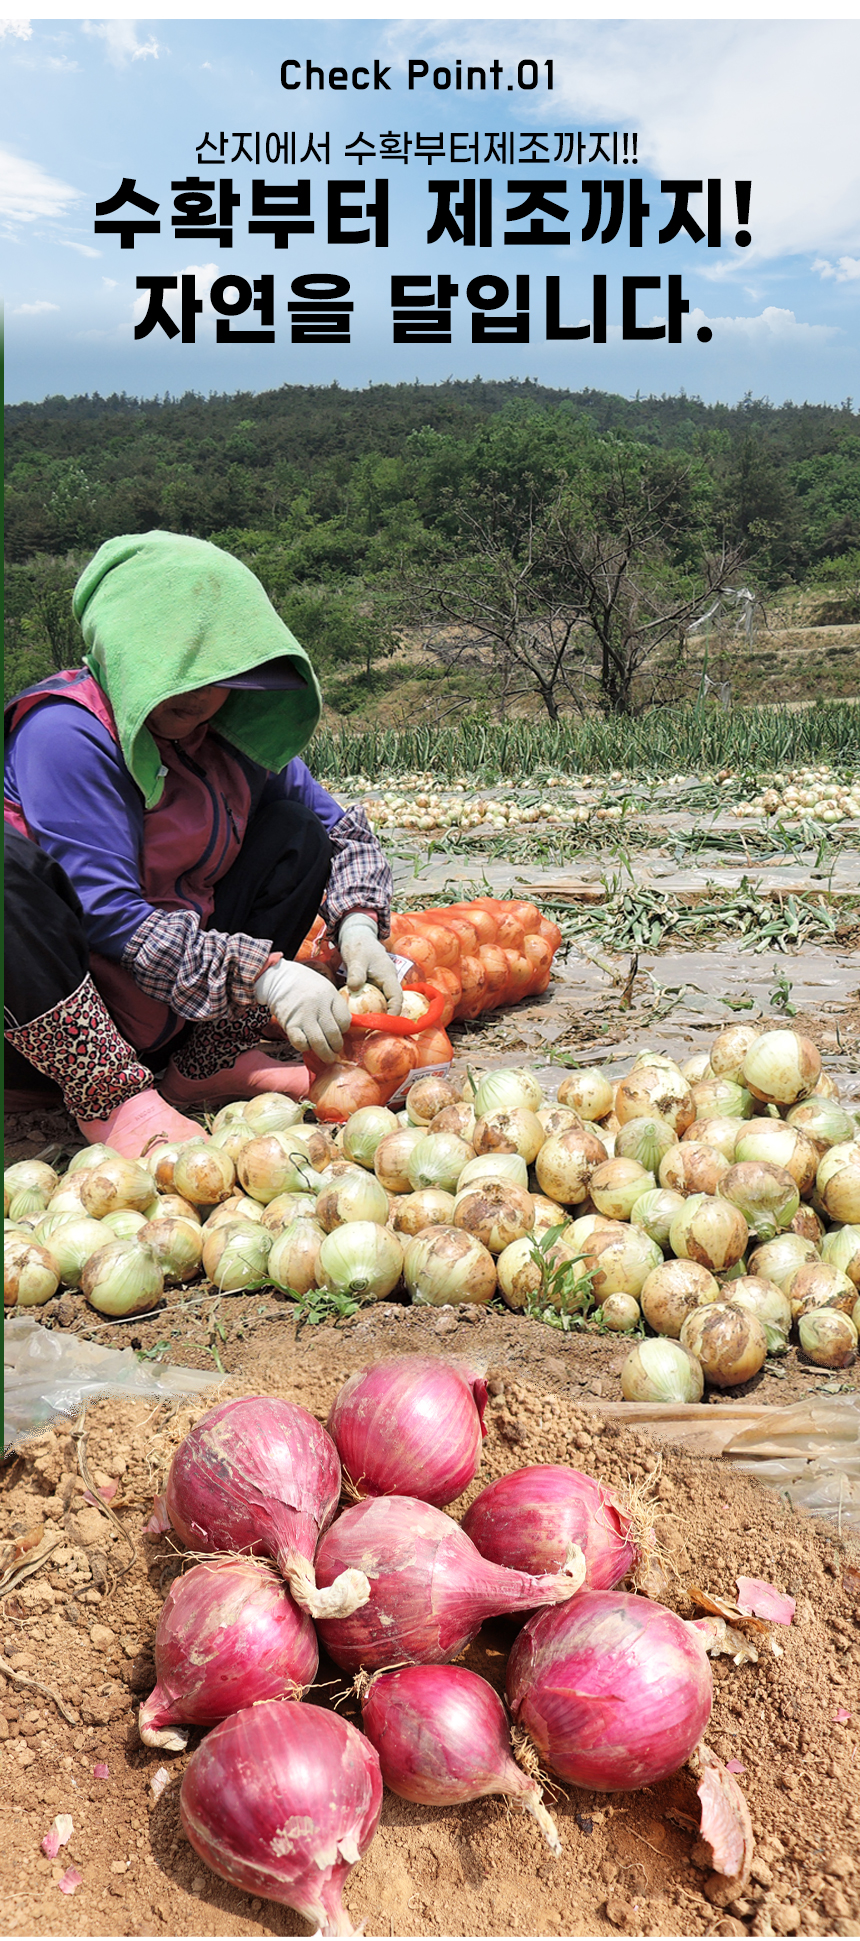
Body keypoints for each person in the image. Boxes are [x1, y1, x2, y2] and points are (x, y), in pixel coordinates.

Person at [4, 530, 403, 1159]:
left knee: (294, 835)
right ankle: (107, 1095)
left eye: (218, 671)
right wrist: (266, 978)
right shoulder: (65, 733)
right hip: (44, 1033)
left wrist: (357, 921)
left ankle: (209, 1059)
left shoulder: (227, 735)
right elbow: (110, 917)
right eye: (176, 669)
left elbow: (340, 832)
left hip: (173, 1013)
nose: (202, 696)